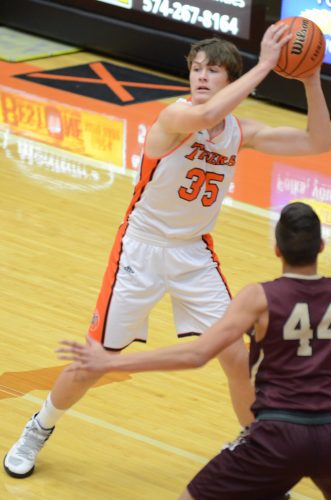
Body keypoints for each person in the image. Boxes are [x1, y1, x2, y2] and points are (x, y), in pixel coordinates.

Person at [4, 22, 331, 479]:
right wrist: (267, 66)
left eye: (213, 70)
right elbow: (202, 117)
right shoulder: (175, 116)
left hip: (193, 254)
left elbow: (318, 142)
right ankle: (40, 425)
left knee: (237, 356)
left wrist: (312, 78)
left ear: (228, 78)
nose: (200, 75)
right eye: (196, 68)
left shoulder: (239, 131)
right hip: (141, 249)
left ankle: (256, 448)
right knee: (99, 356)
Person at [56, 202, 331, 499]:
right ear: (321, 246)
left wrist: (108, 361)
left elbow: (195, 354)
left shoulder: (258, 298)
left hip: (279, 434)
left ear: (277, 249)